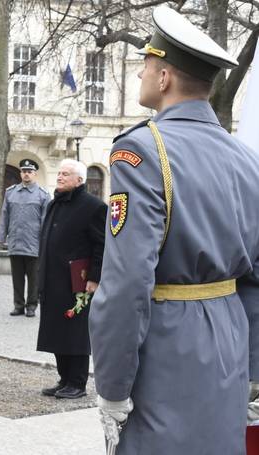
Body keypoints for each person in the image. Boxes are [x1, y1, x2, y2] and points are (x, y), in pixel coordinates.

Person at [89, 6, 259, 453]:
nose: (142, 73)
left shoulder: (142, 151)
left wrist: (111, 385)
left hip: (166, 345)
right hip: (229, 338)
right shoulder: (246, 159)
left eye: (146, 64)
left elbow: (126, 283)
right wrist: (253, 371)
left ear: (163, 77)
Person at [36, 159, 106, 400]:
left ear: (79, 180)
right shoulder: (55, 203)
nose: (60, 177)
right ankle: (64, 378)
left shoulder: (94, 206)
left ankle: (77, 382)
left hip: (77, 281)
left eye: (66, 174)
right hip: (52, 277)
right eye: (60, 173)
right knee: (56, 331)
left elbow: (102, 245)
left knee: (75, 332)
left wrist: (95, 278)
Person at [0, 159, 49, 317]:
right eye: (24, 171)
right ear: (20, 173)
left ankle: (32, 305)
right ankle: (18, 305)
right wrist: (1, 237)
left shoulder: (43, 195)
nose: (26, 174)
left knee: (34, 278)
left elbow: (46, 221)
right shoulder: (11, 192)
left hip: (34, 243)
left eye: (29, 171)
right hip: (15, 241)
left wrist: (45, 243)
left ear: (35, 174)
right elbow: (5, 215)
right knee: (17, 277)